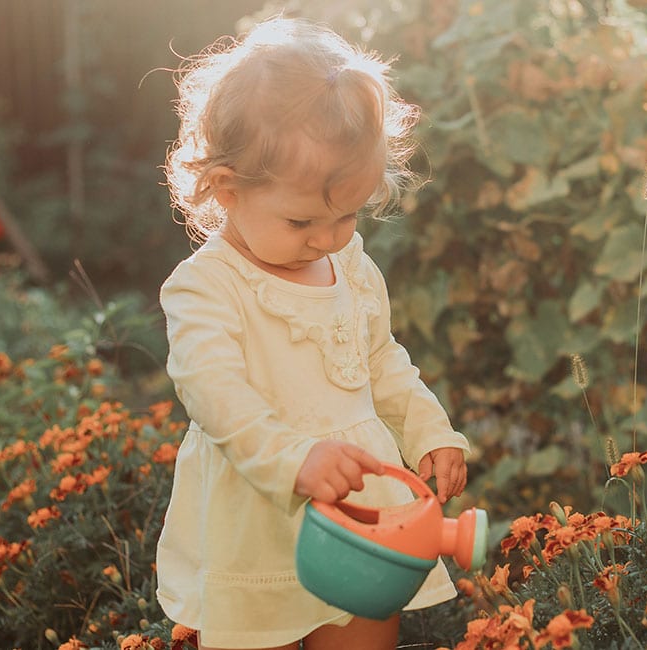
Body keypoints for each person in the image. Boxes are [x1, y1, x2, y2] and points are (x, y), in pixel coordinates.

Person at [155, 16, 471, 650]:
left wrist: (428, 429)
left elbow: (382, 361)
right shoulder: (207, 287)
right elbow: (216, 395)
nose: (329, 238)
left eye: (347, 214)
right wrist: (295, 459)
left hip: (362, 511)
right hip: (257, 524)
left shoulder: (350, 267)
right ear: (228, 188)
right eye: (302, 219)